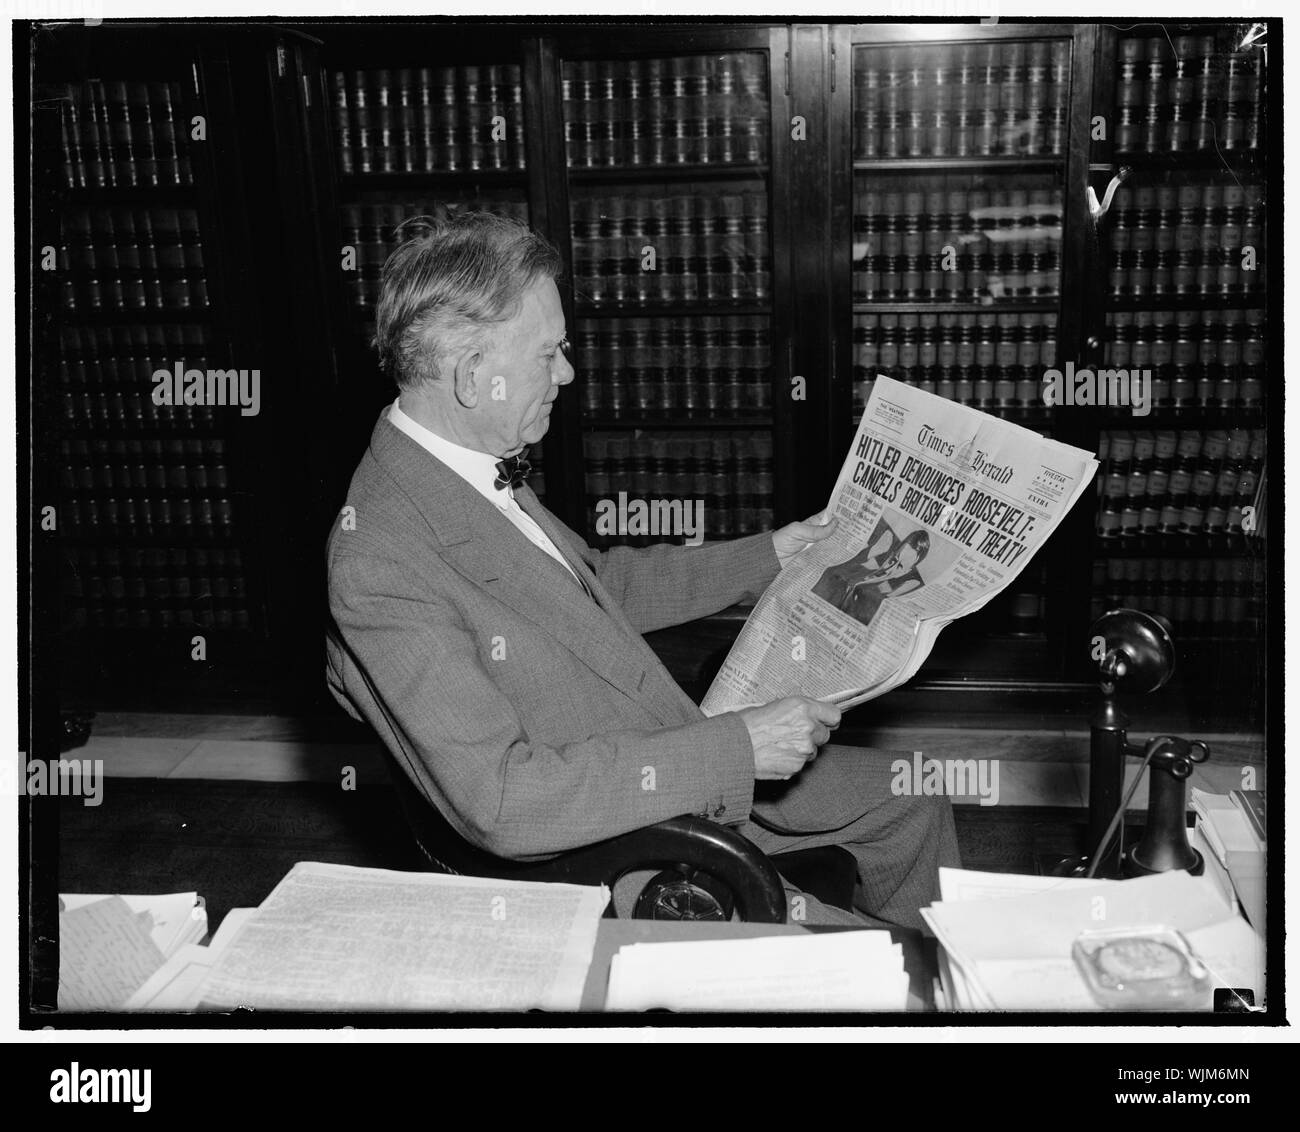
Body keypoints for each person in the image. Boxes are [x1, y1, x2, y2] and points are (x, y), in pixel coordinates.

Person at [325, 210, 959, 928]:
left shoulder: (460, 464)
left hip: (662, 743)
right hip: (627, 831)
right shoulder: (380, 559)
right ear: (473, 376)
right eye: (549, 353)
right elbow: (504, 801)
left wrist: (772, 554)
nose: (567, 372)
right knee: (871, 966)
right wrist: (738, 748)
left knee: (918, 793)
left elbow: (597, 586)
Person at [813, 527, 930, 628]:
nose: (890, 568)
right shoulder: (877, 561)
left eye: (899, 566)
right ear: (892, 553)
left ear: (906, 571)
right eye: (894, 559)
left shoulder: (897, 587)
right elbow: (845, 567)